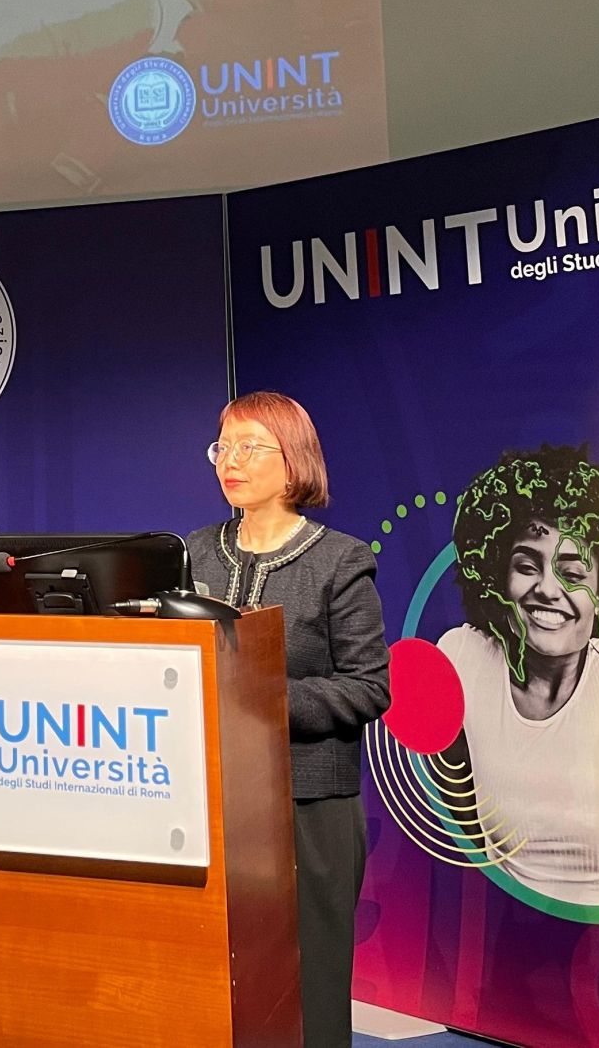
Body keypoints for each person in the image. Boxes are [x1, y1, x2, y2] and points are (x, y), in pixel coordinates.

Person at [184, 391, 389, 1048]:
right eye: (223, 447)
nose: (231, 462)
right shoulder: (192, 553)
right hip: (210, 801)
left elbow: (369, 689)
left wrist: (262, 698)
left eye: (250, 447)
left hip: (309, 802)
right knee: (221, 981)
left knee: (310, 985)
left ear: (294, 459)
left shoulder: (340, 562)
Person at [437, 445, 599, 905]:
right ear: (498, 577)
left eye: (574, 572)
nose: (548, 589)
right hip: (505, 937)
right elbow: (456, 793)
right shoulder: (462, 659)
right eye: (527, 566)